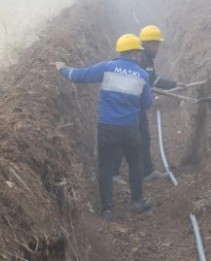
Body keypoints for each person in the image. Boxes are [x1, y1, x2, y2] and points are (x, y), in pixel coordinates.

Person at [55, 34, 153, 221]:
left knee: (105, 167)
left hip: (106, 127)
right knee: (135, 163)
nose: (140, 56)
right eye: (138, 53)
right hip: (130, 129)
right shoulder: (142, 75)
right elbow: (147, 104)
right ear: (133, 53)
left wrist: (62, 68)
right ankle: (137, 201)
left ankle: (107, 209)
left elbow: (79, 75)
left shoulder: (107, 68)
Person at [112, 25, 182, 183]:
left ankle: (145, 171)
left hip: (132, 102)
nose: (158, 48)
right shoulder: (143, 57)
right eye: (156, 45)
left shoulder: (145, 57)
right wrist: (173, 85)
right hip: (130, 103)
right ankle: (115, 173)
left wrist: (175, 84)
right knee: (130, 136)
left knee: (142, 136)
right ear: (149, 44)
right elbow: (151, 81)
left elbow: (153, 80)